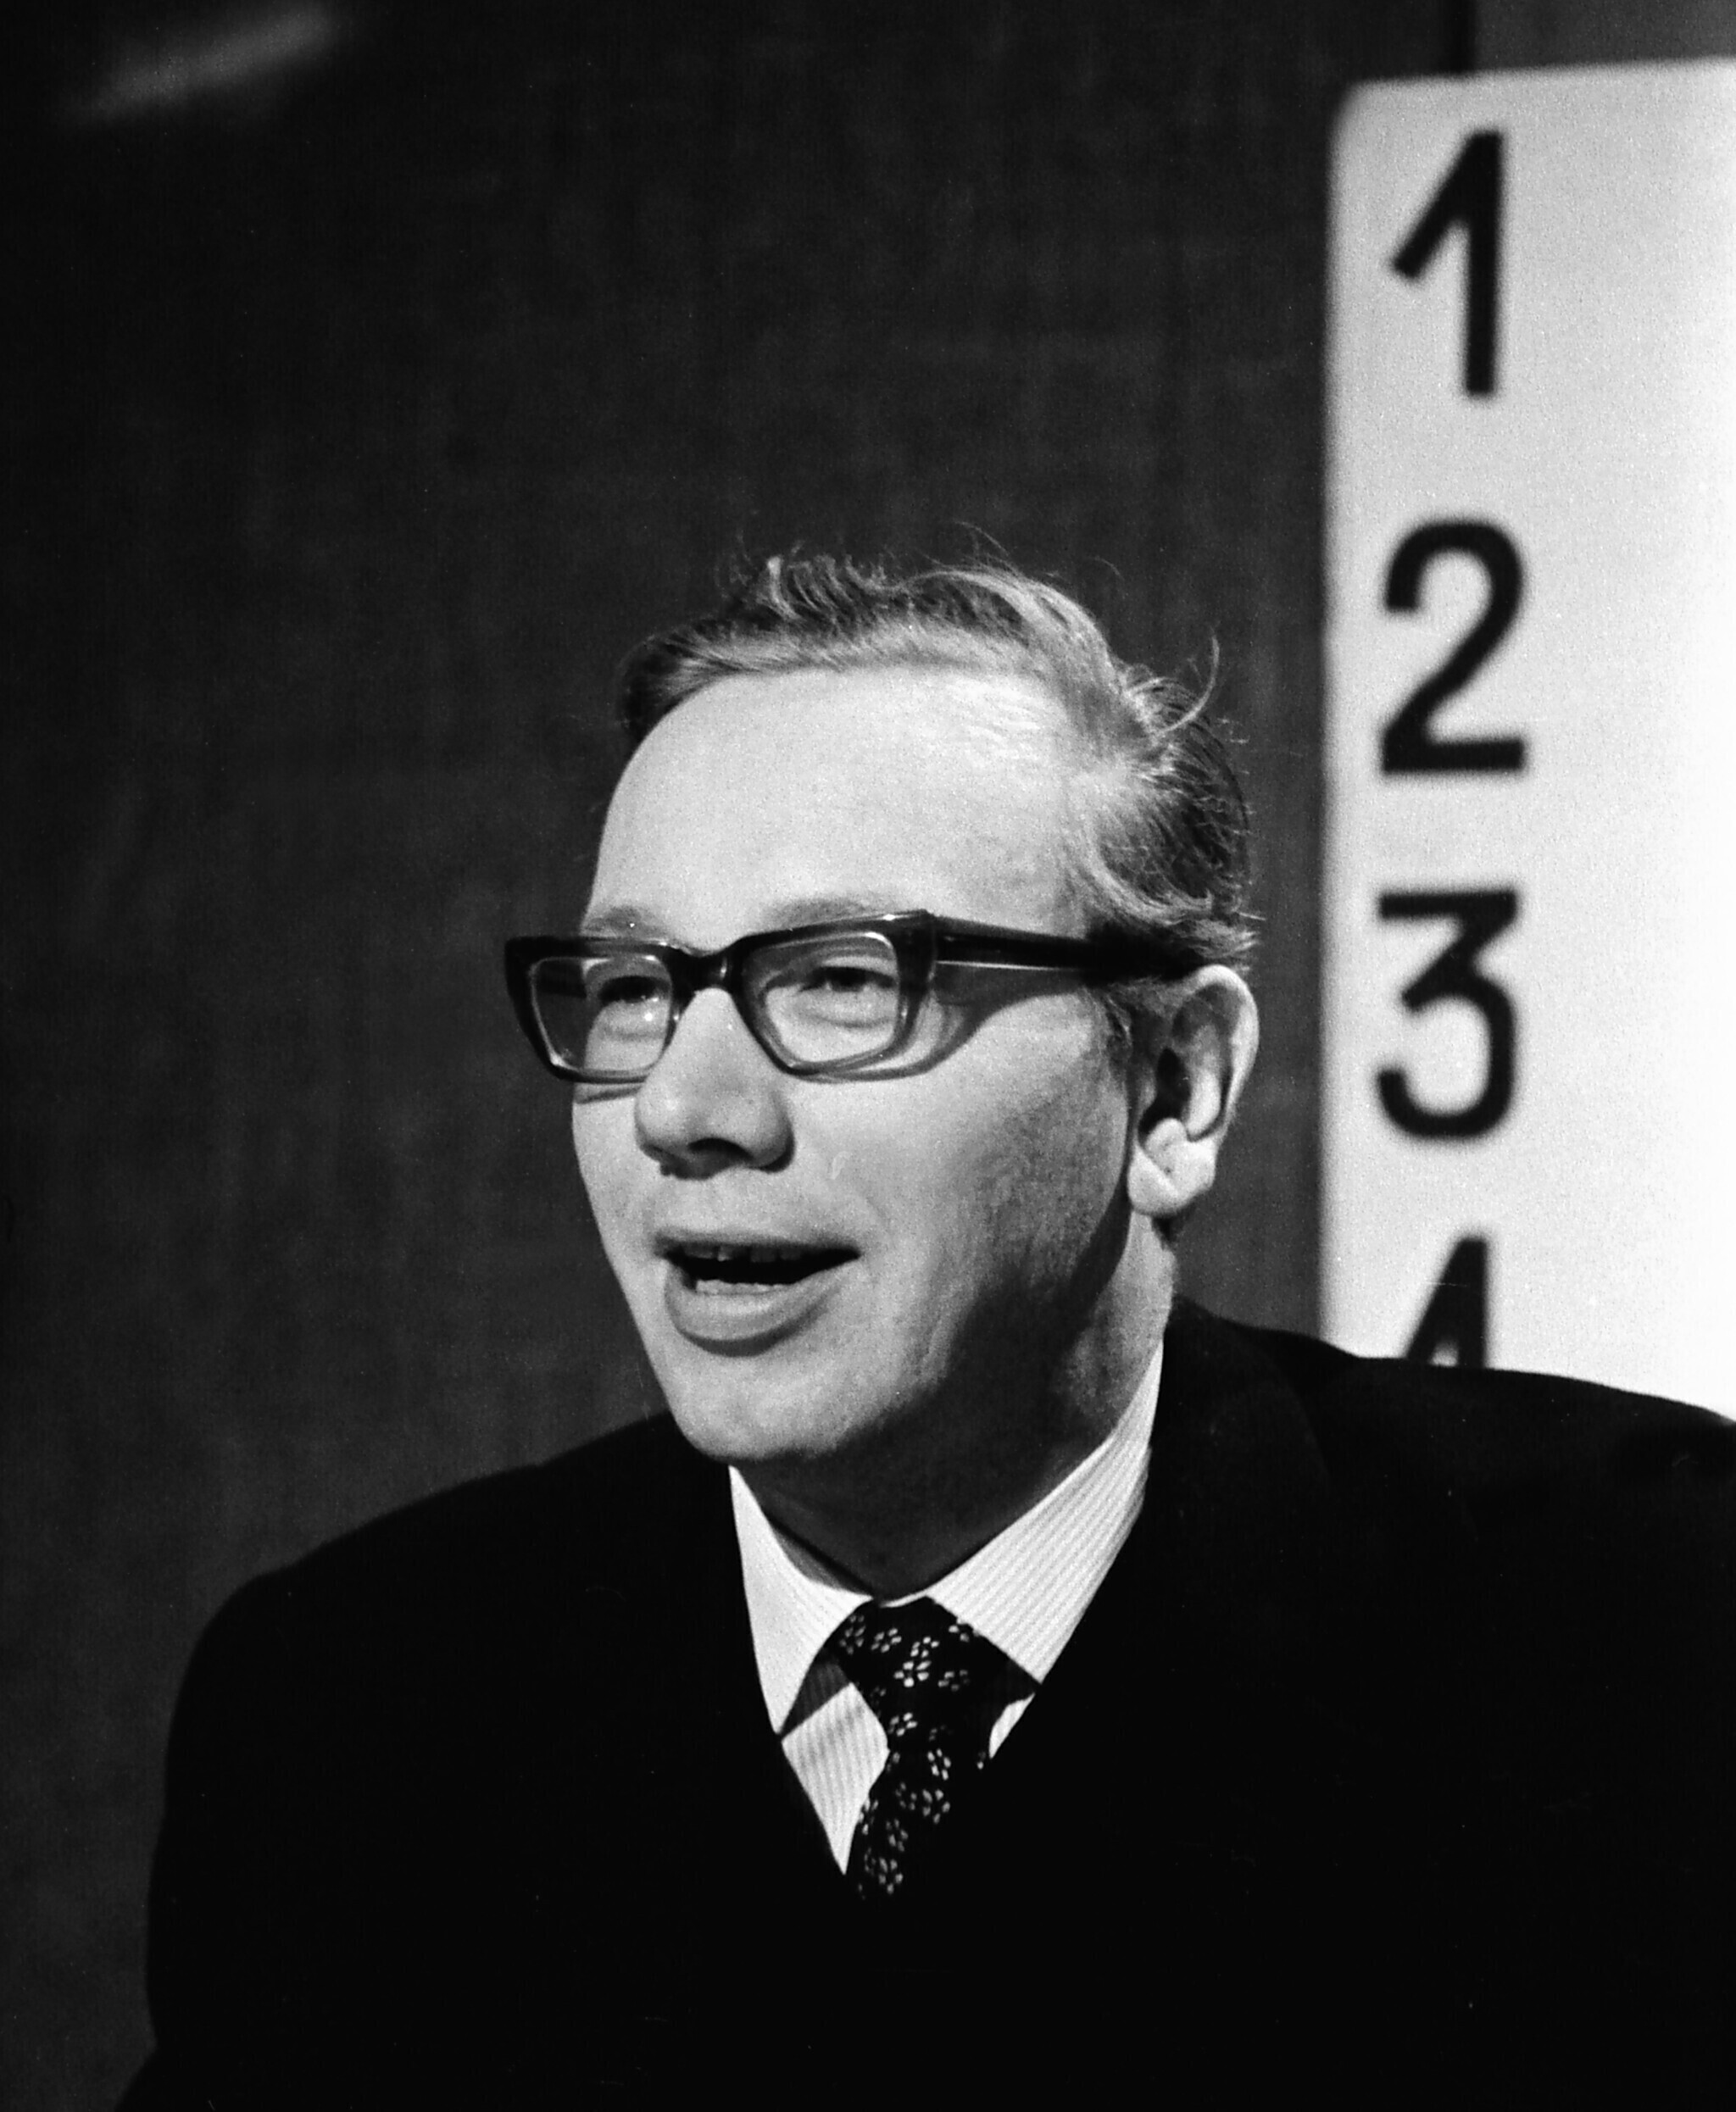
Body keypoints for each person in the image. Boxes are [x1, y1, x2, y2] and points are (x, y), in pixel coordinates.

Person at [124, 554, 1735, 2107]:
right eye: (632, 989)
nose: (682, 1107)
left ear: (1174, 1088)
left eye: (843, 980)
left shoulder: (1638, 1633)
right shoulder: (352, 1713)